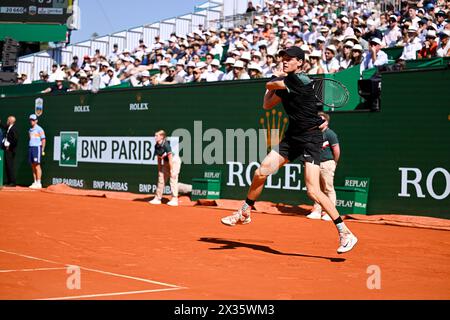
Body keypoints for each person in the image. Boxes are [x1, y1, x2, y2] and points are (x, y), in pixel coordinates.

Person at [220, 46, 358, 254]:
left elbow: (269, 83)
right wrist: (273, 85)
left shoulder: (296, 80)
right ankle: (245, 212)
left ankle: (345, 232)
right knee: (261, 172)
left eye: (290, 58)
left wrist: (274, 80)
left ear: (300, 63)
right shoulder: (288, 84)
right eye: (283, 57)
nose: (285, 61)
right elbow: (267, 104)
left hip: (310, 139)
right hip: (292, 138)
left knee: (313, 190)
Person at [307, 112, 340, 221]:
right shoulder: (314, 133)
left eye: (320, 120)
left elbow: (336, 151)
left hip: (327, 164)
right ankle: (317, 211)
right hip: (315, 164)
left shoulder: (330, 134)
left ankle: (330, 213)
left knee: (328, 189)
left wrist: (333, 163)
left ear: (326, 122)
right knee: (317, 189)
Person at [149, 130, 182, 207]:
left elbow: (170, 158)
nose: (155, 137)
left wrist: (171, 170)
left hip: (174, 161)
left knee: (173, 178)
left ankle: (174, 199)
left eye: (157, 136)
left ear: (162, 137)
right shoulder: (156, 146)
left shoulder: (166, 145)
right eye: (155, 135)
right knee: (161, 178)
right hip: (166, 162)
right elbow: (159, 158)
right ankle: (157, 198)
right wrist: (160, 169)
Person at [28, 114, 46, 189]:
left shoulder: (40, 129)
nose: (31, 121)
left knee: (37, 165)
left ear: (36, 121)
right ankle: (35, 182)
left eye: (33, 120)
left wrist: (42, 149)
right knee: (32, 165)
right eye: (30, 120)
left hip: (37, 148)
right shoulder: (30, 130)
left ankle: (39, 182)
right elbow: (30, 139)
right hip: (31, 147)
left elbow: (43, 140)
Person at [1, 116, 19, 186]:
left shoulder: (13, 129)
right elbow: (4, 126)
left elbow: (15, 140)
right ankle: (9, 181)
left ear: (10, 121)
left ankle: (13, 182)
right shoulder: (9, 127)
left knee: (10, 166)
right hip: (7, 150)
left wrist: (9, 145)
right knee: (7, 165)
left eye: (8, 120)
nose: (7, 121)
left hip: (10, 150)